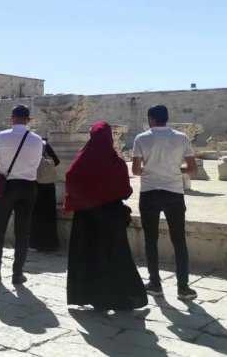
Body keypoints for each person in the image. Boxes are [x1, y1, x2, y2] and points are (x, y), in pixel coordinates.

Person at [64, 121, 147, 310]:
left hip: (86, 217)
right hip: (111, 216)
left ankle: (90, 296)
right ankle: (120, 296)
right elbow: (125, 191)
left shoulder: (81, 161)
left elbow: (71, 180)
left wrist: (86, 200)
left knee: (87, 255)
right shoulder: (115, 162)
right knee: (115, 255)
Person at [133, 105, 198, 300]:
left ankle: (155, 284)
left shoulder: (141, 138)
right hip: (174, 193)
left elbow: (136, 171)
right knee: (179, 241)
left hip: (149, 193)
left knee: (150, 240)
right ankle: (183, 287)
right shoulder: (181, 138)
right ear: (167, 118)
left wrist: (152, 171)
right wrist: (175, 171)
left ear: (151, 119)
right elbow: (192, 168)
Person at [0, 105, 43, 285]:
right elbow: (37, 163)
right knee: (23, 232)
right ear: (29, 120)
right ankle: (18, 273)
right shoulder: (37, 140)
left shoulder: (1, 136)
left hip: (7, 186)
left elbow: (0, 159)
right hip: (28, 187)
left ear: (12, 118)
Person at [29, 138, 61, 251]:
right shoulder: (43, 144)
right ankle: (50, 244)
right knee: (49, 214)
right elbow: (56, 161)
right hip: (48, 185)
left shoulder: (27, 145)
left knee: (35, 214)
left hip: (34, 184)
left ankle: (34, 243)